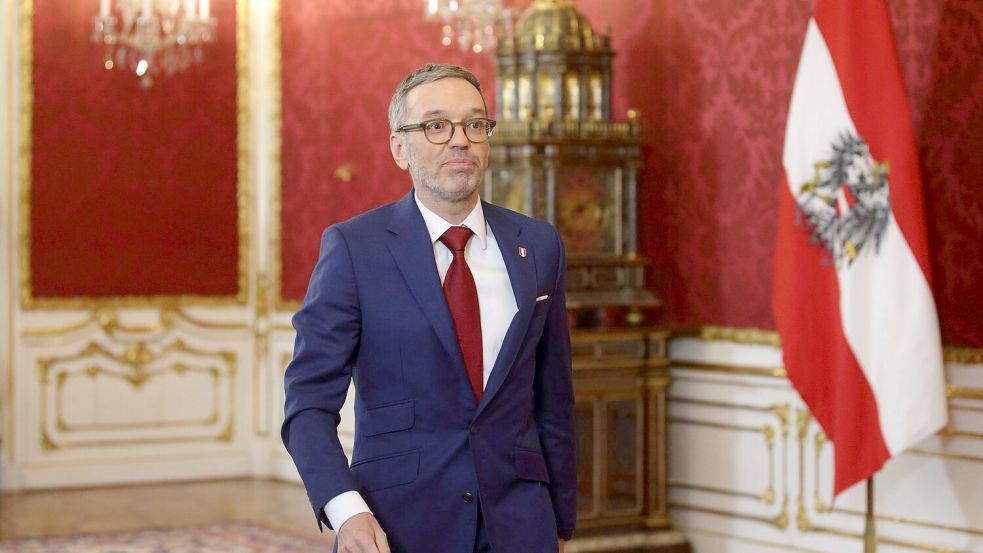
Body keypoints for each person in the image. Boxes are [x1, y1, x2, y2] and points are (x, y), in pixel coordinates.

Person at [282, 63, 576, 553]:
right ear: (400, 148)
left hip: (521, 523)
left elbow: (554, 399)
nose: (459, 140)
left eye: (475, 124)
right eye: (436, 126)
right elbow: (308, 405)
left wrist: (560, 524)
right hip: (393, 527)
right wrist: (346, 511)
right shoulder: (355, 249)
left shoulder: (539, 245)